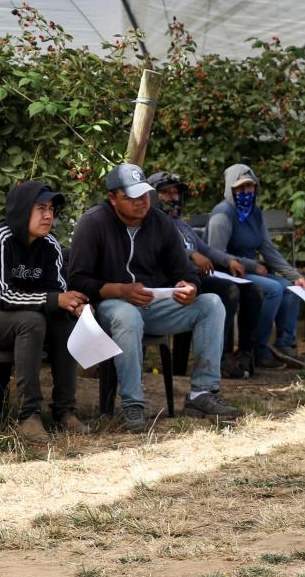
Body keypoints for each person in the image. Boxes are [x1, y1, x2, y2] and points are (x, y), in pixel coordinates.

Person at [68, 163, 242, 430]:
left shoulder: (160, 222)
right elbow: (78, 281)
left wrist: (189, 286)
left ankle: (202, 393)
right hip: (111, 306)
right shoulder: (93, 223)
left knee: (211, 304)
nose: (141, 202)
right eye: (132, 197)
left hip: (154, 303)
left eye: (144, 195)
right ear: (113, 198)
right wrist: (121, 290)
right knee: (126, 314)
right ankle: (133, 405)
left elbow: (185, 271)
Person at [0, 180, 89, 443]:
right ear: (23, 209)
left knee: (64, 322)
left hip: (13, 316)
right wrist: (56, 300)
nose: (48, 215)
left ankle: (64, 410)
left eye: (51, 209)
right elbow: (4, 296)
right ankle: (29, 415)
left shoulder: (49, 245)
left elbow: (56, 291)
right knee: (32, 322)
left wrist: (72, 305)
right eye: (41, 208)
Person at [148, 170, 260, 377]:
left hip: (196, 277)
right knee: (228, 290)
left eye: (175, 193)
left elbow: (206, 250)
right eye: (166, 193)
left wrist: (229, 260)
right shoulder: (151, 223)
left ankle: (245, 356)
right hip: (172, 280)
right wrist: (191, 254)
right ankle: (221, 357)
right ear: (153, 196)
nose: (173, 197)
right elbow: (157, 249)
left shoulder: (181, 224)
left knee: (252, 291)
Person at [206, 164, 305, 369]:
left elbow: (268, 249)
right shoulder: (222, 215)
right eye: (240, 188)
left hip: (251, 271)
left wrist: (294, 274)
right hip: (228, 274)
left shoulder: (255, 213)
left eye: (249, 187)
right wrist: (251, 265)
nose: (245, 192)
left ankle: (285, 346)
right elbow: (215, 254)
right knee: (273, 289)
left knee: (292, 289)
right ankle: (257, 349)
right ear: (230, 189)